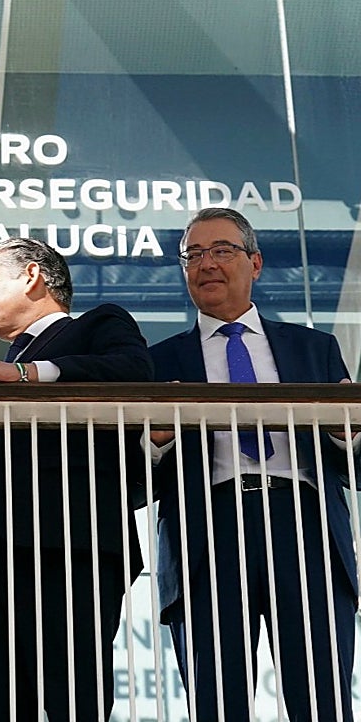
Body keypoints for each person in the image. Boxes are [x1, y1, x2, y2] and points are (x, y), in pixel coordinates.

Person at [0, 237, 152, 721]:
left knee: (74, 702)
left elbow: (132, 371)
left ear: (31, 276)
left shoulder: (97, 325)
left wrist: (26, 376)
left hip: (69, 553)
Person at [150, 207, 356, 721]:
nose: (207, 264)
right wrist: (155, 442)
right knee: (217, 703)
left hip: (304, 527)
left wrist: (343, 434)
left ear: (255, 262)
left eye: (222, 250)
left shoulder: (314, 348)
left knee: (321, 699)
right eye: (193, 255)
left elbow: (356, 466)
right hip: (208, 533)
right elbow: (134, 482)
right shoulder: (158, 363)